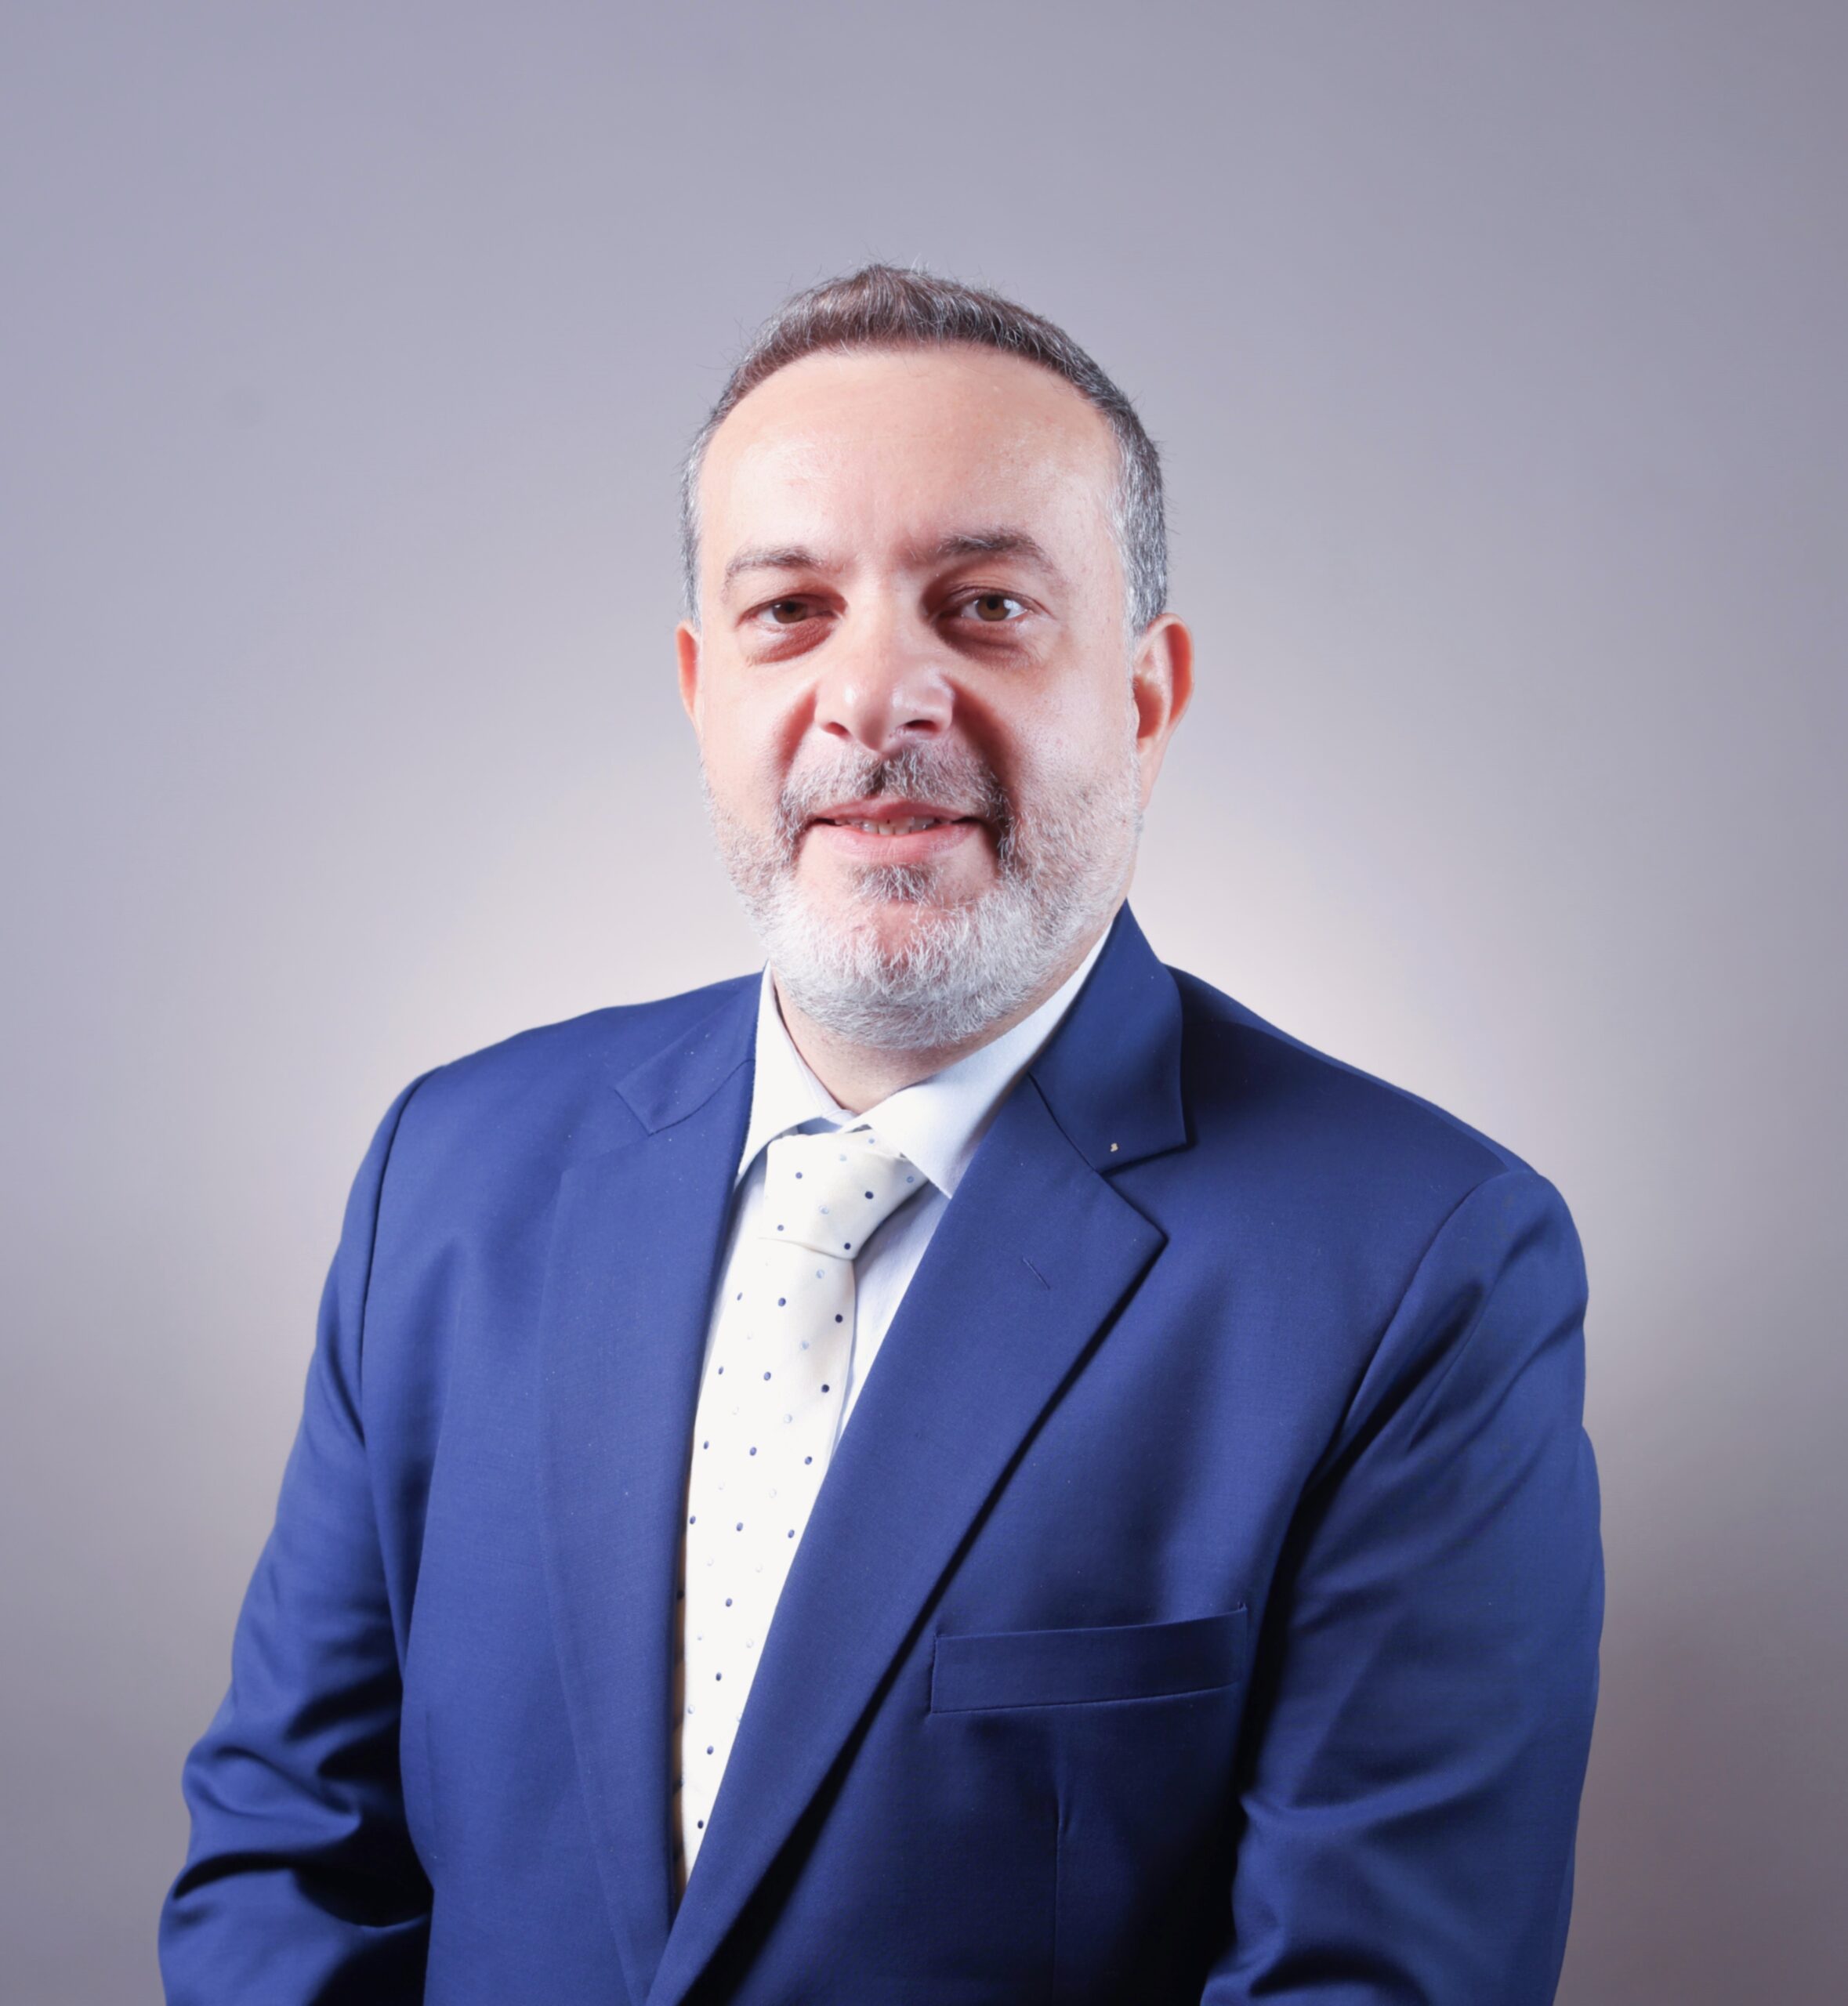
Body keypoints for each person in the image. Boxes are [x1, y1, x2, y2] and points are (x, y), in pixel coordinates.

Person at [160, 265, 1603, 2005]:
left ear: (1144, 698)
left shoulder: (1423, 1269)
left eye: (985, 606)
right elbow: (292, 1859)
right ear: (701, 688)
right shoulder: (448, 1176)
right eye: (790, 611)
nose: (875, 697)